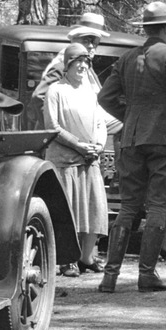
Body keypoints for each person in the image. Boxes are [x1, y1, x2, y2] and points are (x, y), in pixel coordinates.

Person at [96, 1, 166, 293]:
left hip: (130, 140)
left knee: (128, 207)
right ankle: (146, 273)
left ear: (146, 29)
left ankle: (109, 276)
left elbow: (105, 97)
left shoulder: (127, 58)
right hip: (165, 140)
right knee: (157, 205)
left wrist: (130, 118)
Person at [43, 42, 115, 276]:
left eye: (86, 62)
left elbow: (100, 123)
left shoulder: (90, 92)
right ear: (68, 65)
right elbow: (52, 127)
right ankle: (67, 259)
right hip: (65, 161)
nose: (83, 66)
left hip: (90, 160)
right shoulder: (56, 91)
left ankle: (87, 257)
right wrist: (79, 146)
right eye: (77, 62)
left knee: (94, 209)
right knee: (69, 211)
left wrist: (99, 146)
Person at [33, 22, 103, 103]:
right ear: (74, 43)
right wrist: (55, 115)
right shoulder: (62, 67)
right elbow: (39, 97)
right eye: (86, 41)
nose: (91, 46)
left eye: (95, 43)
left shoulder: (88, 68)